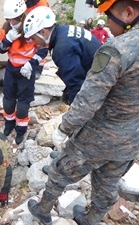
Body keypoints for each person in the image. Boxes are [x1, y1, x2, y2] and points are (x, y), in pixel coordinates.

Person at [26, 0, 139, 224]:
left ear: (128, 13)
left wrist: (64, 128)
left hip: (101, 134)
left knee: (61, 170)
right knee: (107, 181)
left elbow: (88, 98)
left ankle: (43, 208)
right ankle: (92, 218)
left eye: (108, 15)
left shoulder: (118, 49)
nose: (106, 22)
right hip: (132, 137)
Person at [24, 6, 101, 105]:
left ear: (43, 32)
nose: (33, 42)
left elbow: (76, 85)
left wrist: (75, 114)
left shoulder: (62, 49)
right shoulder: (64, 30)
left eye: (33, 38)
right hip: (103, 73)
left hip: (104, 83)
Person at [0, 0, 48, 145]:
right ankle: (9, 124)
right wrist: (7, 40)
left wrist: (32, 64)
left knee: (23, 104)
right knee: (8, 101)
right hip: (12, 68)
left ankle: (21, 129)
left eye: (15, 19)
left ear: (21, 15)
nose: (12, 22)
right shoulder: (6, 28)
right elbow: (0, 49)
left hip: (26, 70)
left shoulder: (32, 26)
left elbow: (43, 49)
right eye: (9, 19)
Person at [25, 0, 50, 79]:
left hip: (40, 29)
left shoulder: (41, 3)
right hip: (31, 29)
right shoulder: (23, 5)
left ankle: (39, 69)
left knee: (41, 48)